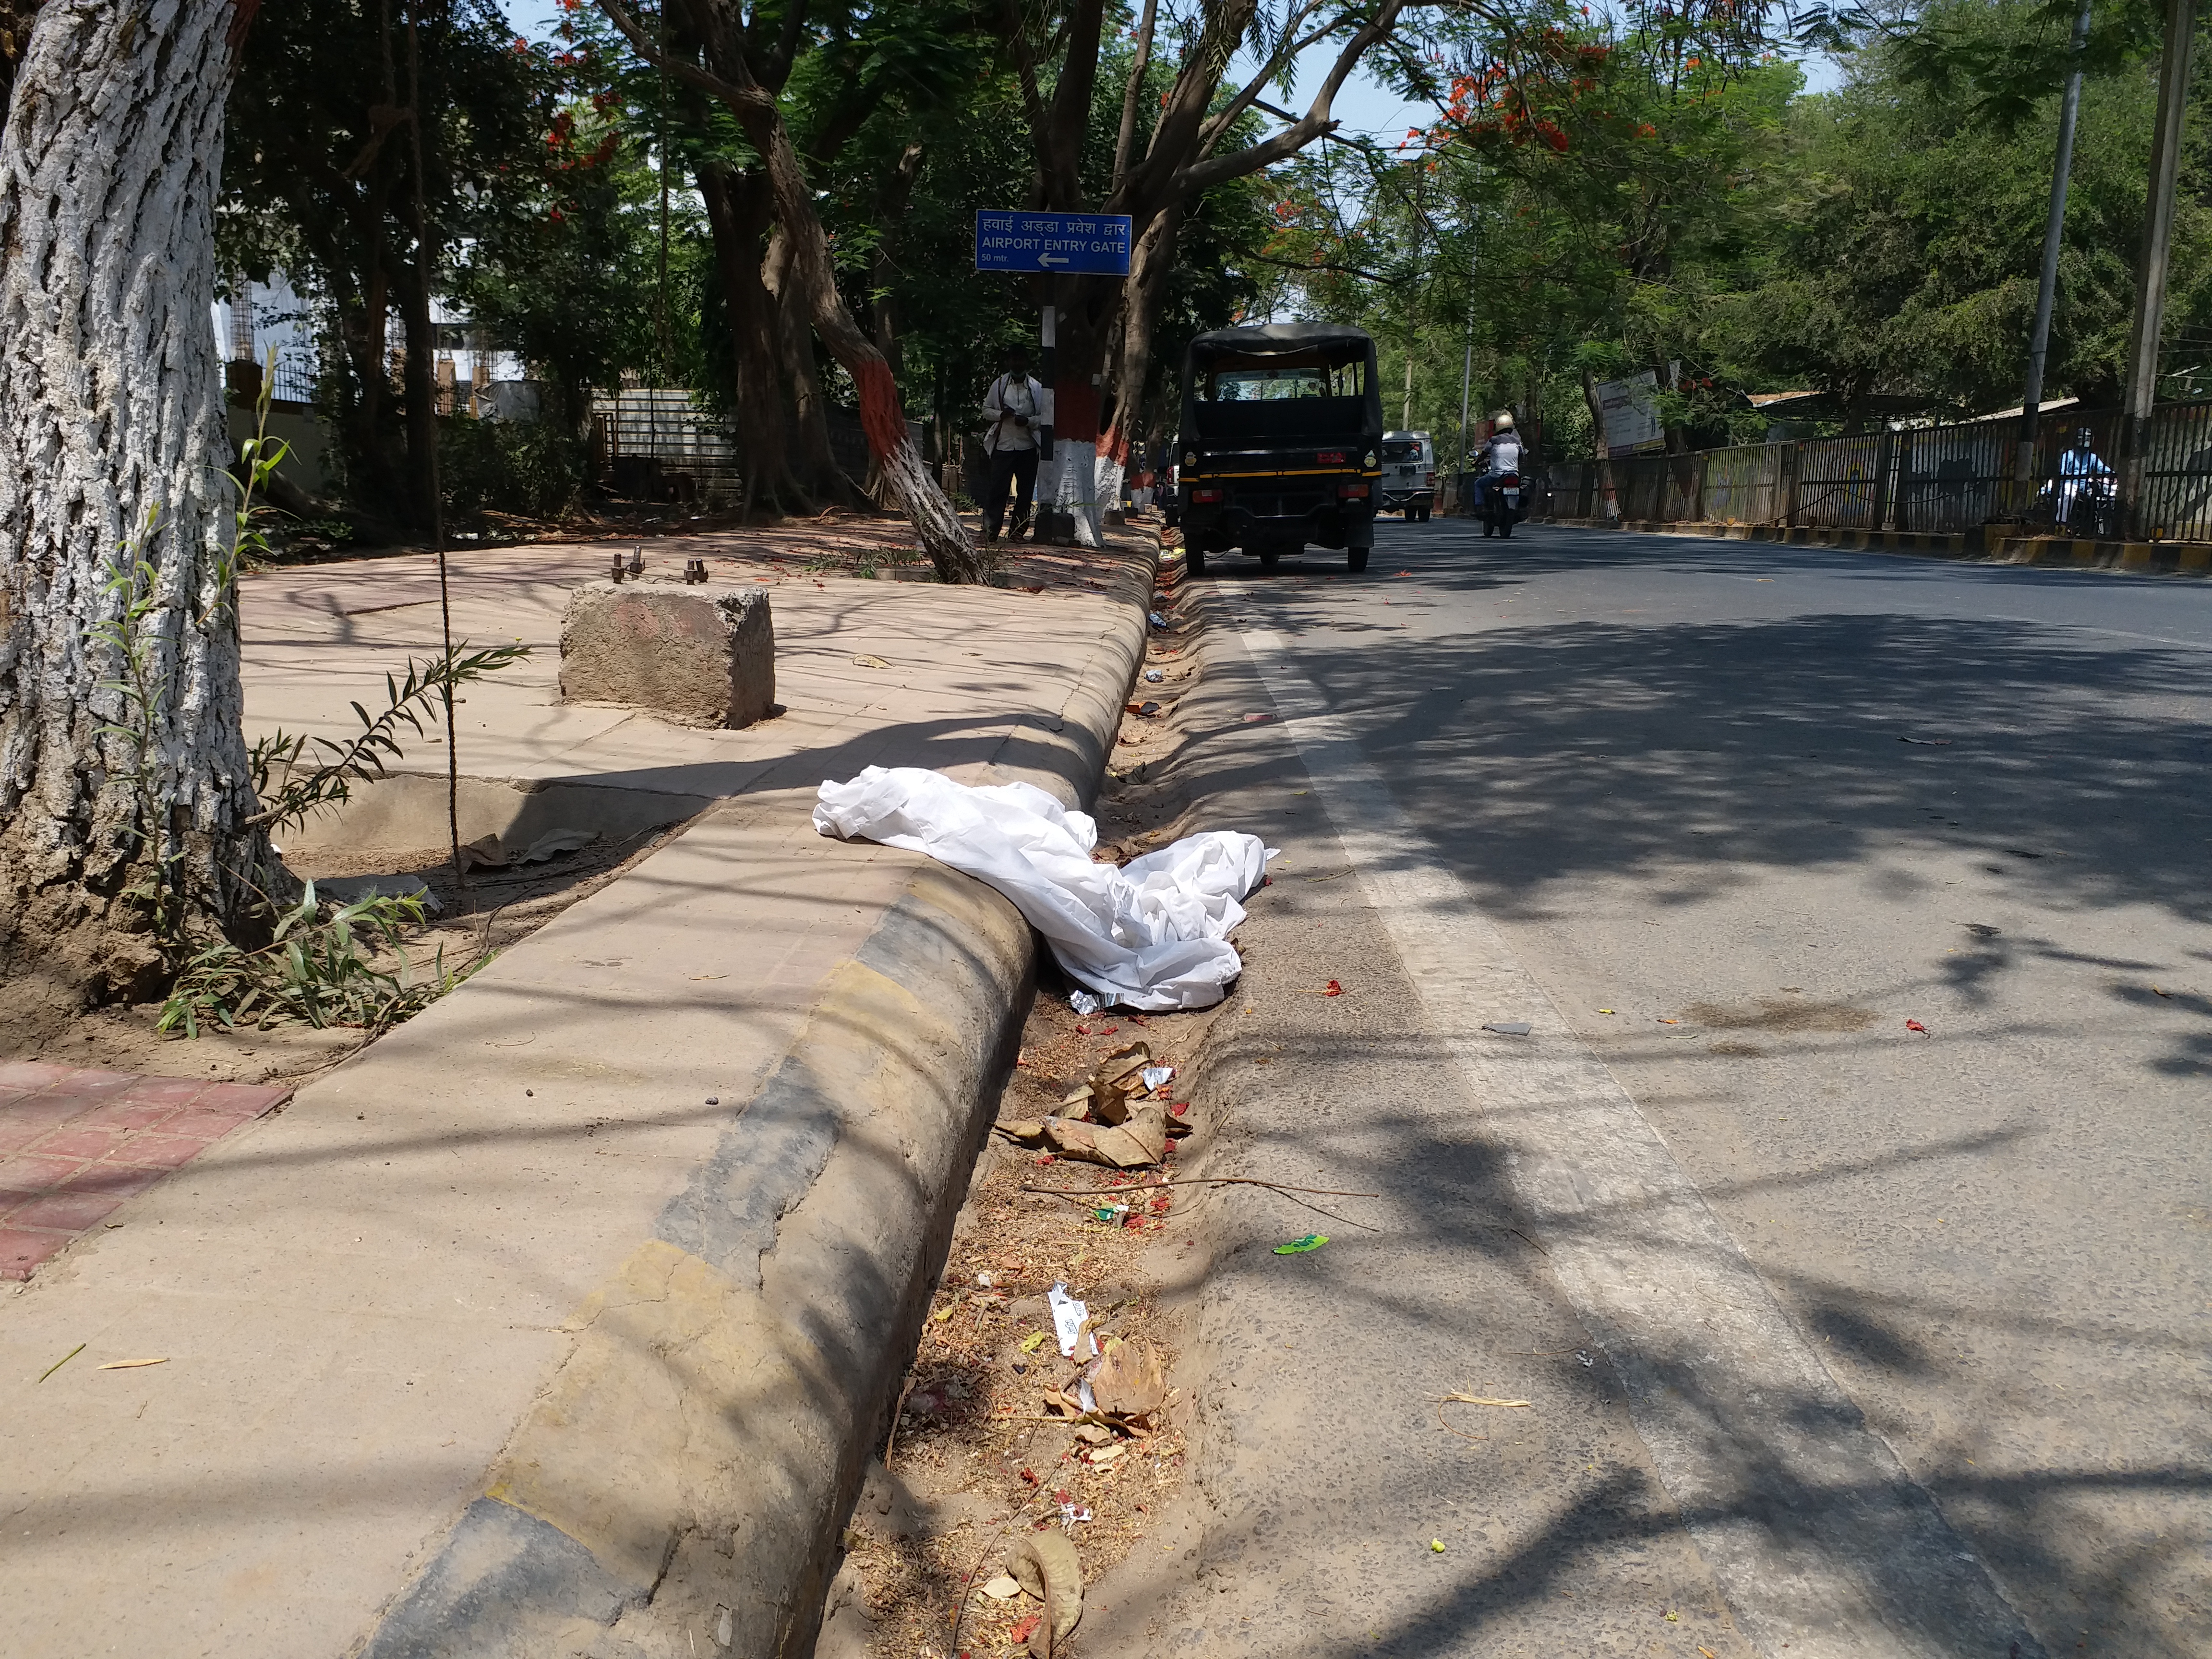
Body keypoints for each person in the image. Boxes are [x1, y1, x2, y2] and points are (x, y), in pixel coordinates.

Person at [981, 348, 1046, 542]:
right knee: (998, 490)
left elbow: (1045, 418)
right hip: (1004, 446)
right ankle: (990, 532)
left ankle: (1017, 532)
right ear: (1009, 362)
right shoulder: (999, 385)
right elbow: (986, 410)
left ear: (1027, 363)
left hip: (1028, 447)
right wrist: (1002, 415)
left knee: (1025, 493)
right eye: (1014, 359)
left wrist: (1028, 421)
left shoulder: (1037, 388)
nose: (1017, 363)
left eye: (1021, 359)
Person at [2053, 425, 2113, 532]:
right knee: (2069, 495)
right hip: (2071, 483)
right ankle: (2061, 524)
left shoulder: (2092, 457)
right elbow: (2063, 472)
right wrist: (2072, 476)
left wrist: (2112, 474)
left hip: (2086, 485)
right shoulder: (2069, 455)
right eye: (2082, 439)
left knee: (2104, 497)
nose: (2085, 442)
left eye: (2088, 440)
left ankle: (2096, 529)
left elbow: (2101, 468)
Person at [1470, 411, 1525, 515]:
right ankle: (1517, 508)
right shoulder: (1517, 441)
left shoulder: (1494, 440)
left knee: (1478, 484)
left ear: (1498, 427)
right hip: (1513, 474)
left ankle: (1480, 508)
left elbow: (1484, 454)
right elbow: (1522, 455)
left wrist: (1476, 462)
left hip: (1497, 475)